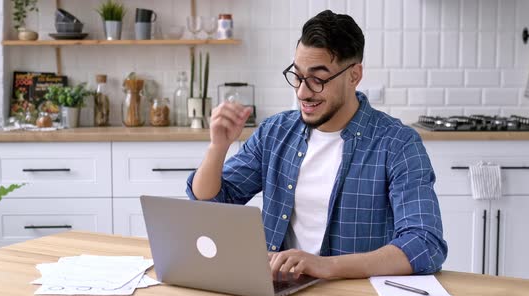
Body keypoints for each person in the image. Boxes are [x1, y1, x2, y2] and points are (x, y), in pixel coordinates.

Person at [187, 10, 447, 280]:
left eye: (318, 79)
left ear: (354, 76)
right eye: (297, 76)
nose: (302, 91)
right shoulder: (275, 132)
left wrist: (326, 266)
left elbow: (424, 244)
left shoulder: (397, 143)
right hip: (281, 292)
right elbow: (212, 203)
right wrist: (217, 147)